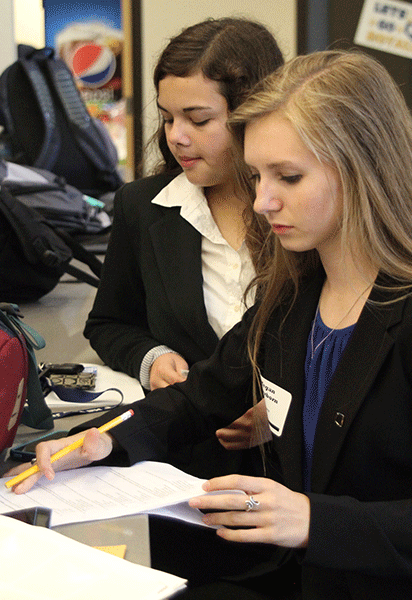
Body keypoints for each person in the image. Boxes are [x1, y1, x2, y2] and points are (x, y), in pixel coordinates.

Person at [14, 50, 412, 599]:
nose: (261, 201)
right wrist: (105, 438)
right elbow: (198, 398)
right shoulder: (294, 299)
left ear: (364, 171)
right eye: (256, 175)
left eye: (288, 176)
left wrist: (312, 520)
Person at [82, 17, 285, 475]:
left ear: (254, 111)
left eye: (198, 119)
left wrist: (286, 408)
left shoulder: (297, 214)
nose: (177, 135)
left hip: (297, 477)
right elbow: (110, 323)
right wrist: (149, 360)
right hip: (187, 467)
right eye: (168, 117)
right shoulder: (144, 207)